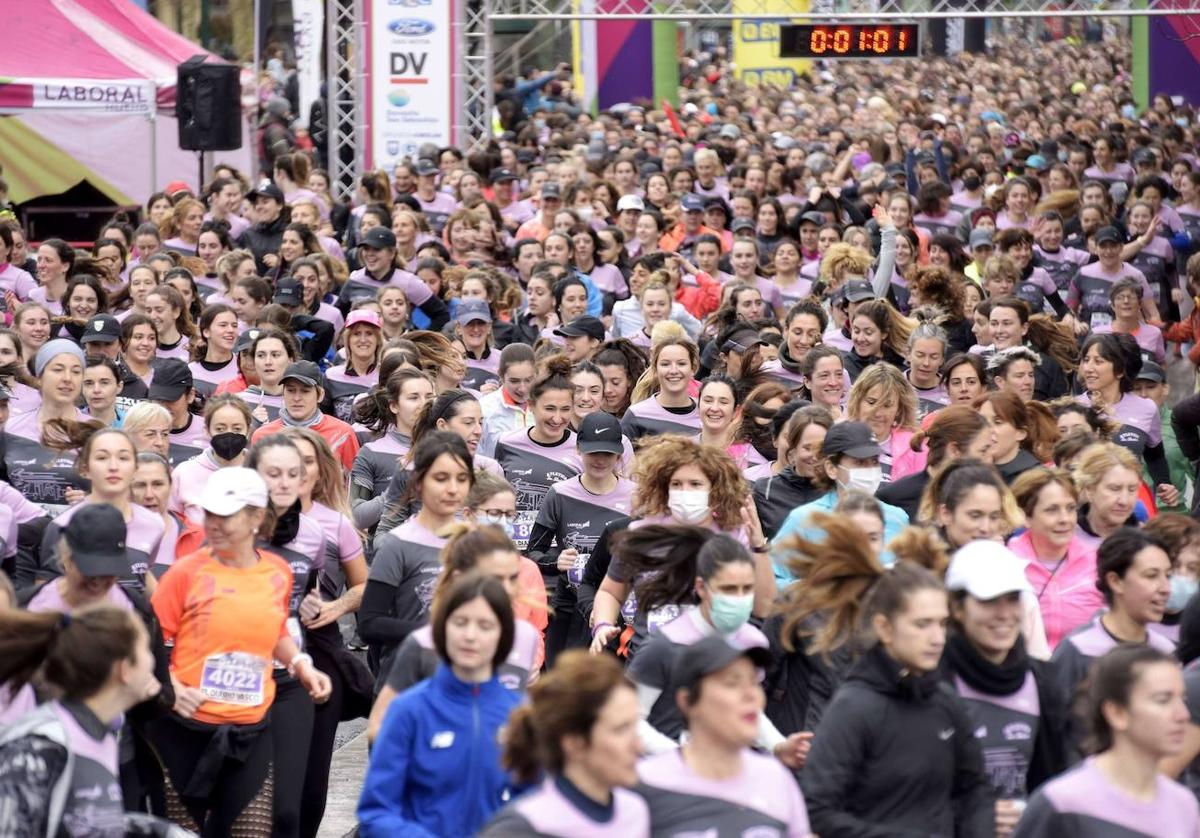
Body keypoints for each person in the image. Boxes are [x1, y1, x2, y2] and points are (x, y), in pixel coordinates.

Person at [148, 467, 331, 837]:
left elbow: (273, 629)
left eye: (225, 516)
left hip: (249, 728)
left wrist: (299, 663)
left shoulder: (277, 572)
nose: (213, 524)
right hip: (187, 730)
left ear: (256, 518)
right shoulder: (185, 573)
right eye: (209, 514)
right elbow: (147, 644)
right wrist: (172, 688)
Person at [799, 543, 993, 835]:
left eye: (942, 624)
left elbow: (975, 788)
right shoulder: (853, 708)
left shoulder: (945, 701)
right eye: (922, 624)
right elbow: (816, 810)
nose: (938, 638)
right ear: (885, 628)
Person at [621, 524, 809, 766]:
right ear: (701, 588)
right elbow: (630, 718)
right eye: (728, 589)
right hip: (666, 779)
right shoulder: (663, 646)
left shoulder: (753, 642)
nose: (738, 598)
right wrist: (680, 756)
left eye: (747, 589)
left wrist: (777, 745)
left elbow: (749, 708)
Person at [357, 573, 523, 837]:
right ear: (441, 628)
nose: (470, 635)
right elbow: (376, 811)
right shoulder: (409, 710)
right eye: (460, 622)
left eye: (485, 625)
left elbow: (538, 805)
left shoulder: (520, 715)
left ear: (504, 634)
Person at [0, 605, 181, 837]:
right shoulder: (41, 745)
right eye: (146, 650)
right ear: (124, 670)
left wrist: (161, 831)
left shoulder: (101, 735)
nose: (153, 661)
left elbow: (83, 820)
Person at [941, 540, 1070, 837]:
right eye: (989, 601)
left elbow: (1057, 781)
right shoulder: (930, 684)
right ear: (957, 608)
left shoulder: (1042, 683)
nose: (1004, 614)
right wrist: (971, 817)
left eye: (1013, 599)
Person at [368, 523, 541, 739]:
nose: (506, 588)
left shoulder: (525, 637)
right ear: (462, 577)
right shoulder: (424, 642)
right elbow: (379, 723)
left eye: (513, 578)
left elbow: (523, 714)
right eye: (496, 578)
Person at [634, 636, 814, 836]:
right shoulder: (645, 785)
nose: (751, 694)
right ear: (687, 702)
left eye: (754, 682)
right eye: (732, 683)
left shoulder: (776, 778)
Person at [1013, 645, 1200, 836]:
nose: (1183, 715)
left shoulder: (1184, 807)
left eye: (1182, 699)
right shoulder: (1063, 804)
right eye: (1163, 700)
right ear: (1117, 712)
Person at [481, 650, 649, 837]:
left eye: (635, 727)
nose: (638, 746)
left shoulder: (635, 812)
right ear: (573, 742)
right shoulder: (521, 829)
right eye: (620, 730)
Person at [526, 410, 635, 661]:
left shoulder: (636, 496)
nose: (599, 460)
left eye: (607, 453)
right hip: (569, 607)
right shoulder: (560, 493)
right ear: (578, 449)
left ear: (619, 454)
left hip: (616, 610)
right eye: (593, 452)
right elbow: (534, 552)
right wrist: (556, 562)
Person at [360, 432, 473, 673]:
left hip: (461, 681)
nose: (453, 489)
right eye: (441, 478)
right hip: (405, 680)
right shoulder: (398, 544)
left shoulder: (477, 545)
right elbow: (370, 624)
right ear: (418, 483)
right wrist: (438, 633)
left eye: (462, 478)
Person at [1051, 527, 1175, 705]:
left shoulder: (1165, 650)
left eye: (1168, 576)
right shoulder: (1079, 650)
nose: (1165, 588)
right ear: (1116, 581)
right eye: (1151, 576)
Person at [771, 421, 909, 582]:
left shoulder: (897, 518)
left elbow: (907, 579)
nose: (870, 470)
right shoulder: (805, 520)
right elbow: (773, 579)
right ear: (831, 468)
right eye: (859, 462)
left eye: (874, 462)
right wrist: (818, 591)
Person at [493, 356, 581, 552]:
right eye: (549, 409)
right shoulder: (506, 442)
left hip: (559, 558)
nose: (557, 418)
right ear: (531, 405)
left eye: (565, 409)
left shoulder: (581, 449)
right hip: (511, 551)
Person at [250, 360, 361, 471]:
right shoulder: (263, 436)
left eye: (305, 391)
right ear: (283, 394)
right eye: (291, 390)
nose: (297, 398)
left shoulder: (343, 433)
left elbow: (352, 482)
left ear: (320, 395)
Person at [168, 394, 253, 524]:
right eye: (220, 428)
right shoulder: (185, 472)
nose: (228, 434)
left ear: (248, 431)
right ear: (207, 430)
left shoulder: (261, 472)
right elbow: (172, 523)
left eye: (237, 428)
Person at [621, 337, 701, 441]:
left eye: (681, 363)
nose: (673, 370)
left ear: (693, 368)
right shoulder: (636, 415)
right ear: (655, 369)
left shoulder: (705, 412)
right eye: (665, 364)